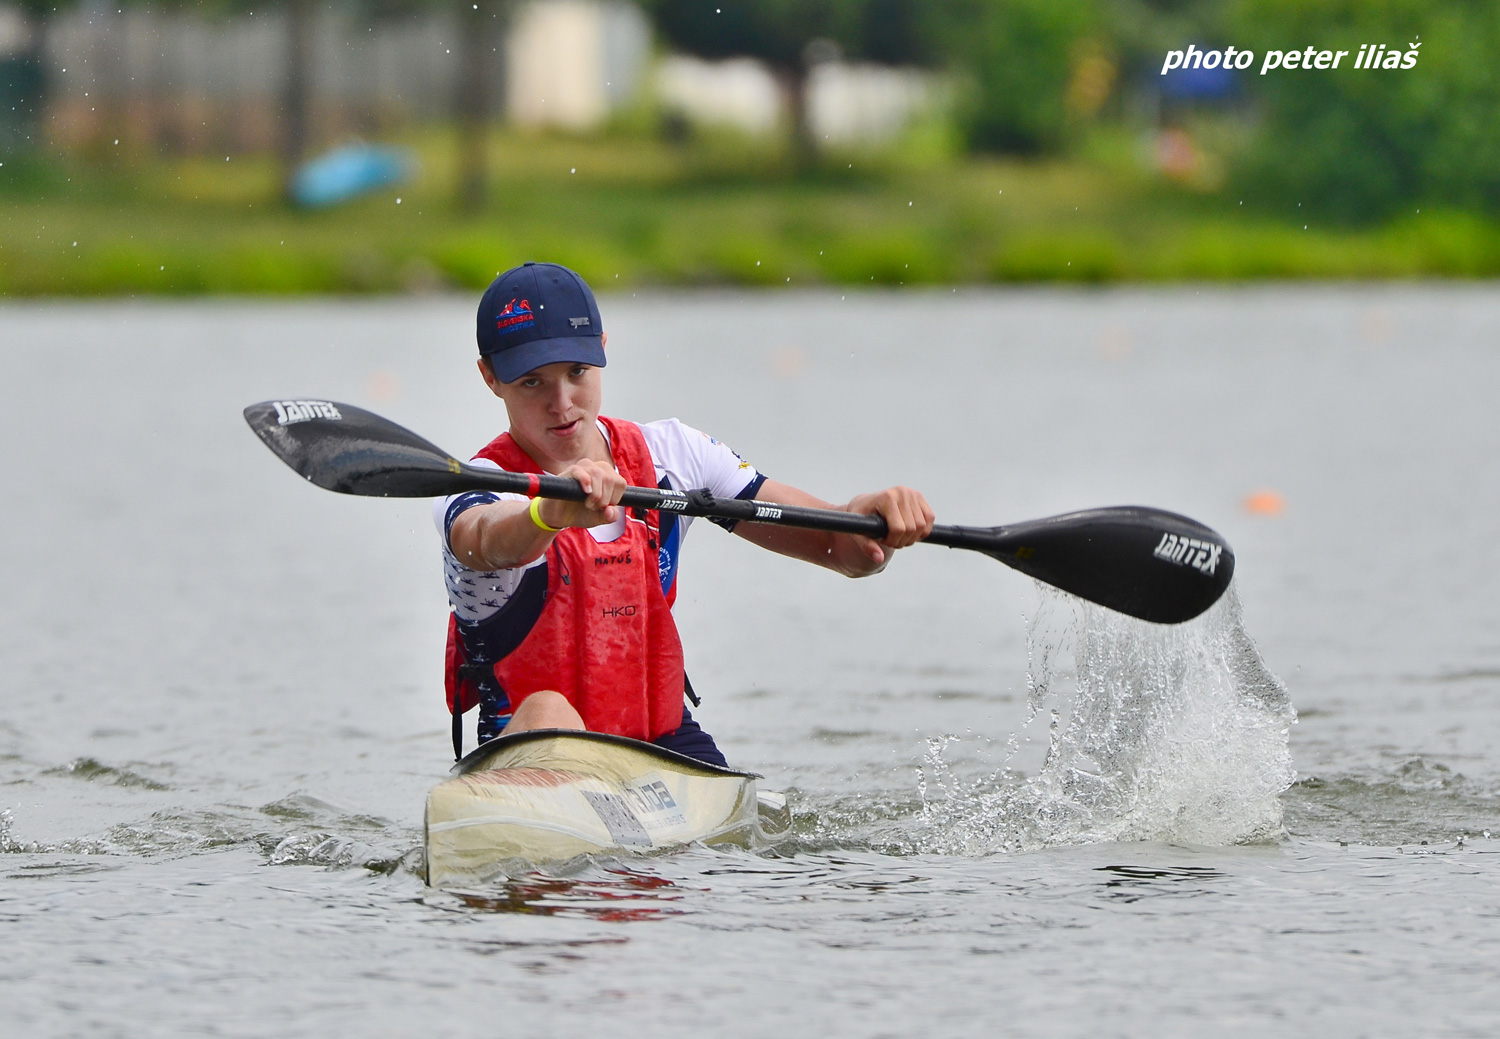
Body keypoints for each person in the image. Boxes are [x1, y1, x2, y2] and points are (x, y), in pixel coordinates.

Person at [436, 261, 933, 766]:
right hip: (528, 757)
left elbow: (842, 549)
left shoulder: (674, 455)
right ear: (490, 377)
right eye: (531, 383)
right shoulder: (477, 484)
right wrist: (549, 514)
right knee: (547, 710)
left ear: (602, 349)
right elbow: (484, 538)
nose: (562, 403)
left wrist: (872, 524)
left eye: (577, 372)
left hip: (662, 746)